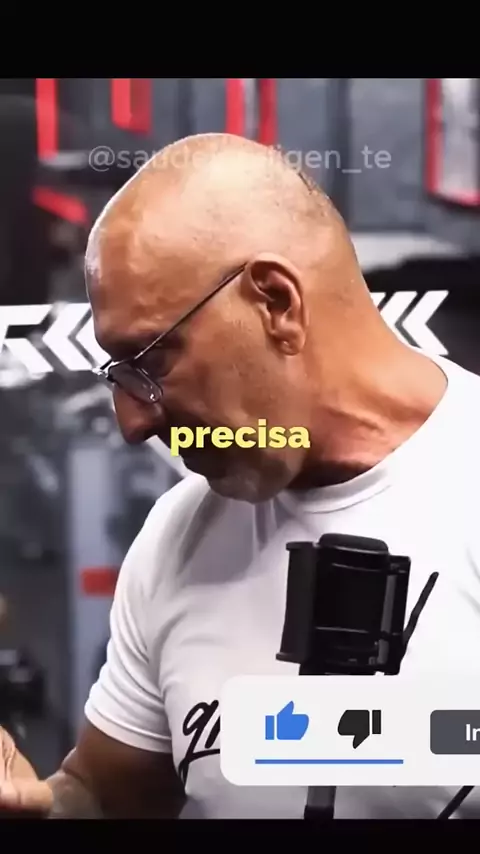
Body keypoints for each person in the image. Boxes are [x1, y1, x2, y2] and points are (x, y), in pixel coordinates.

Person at [1, 132, 480, 819]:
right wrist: (35, 808)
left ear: (277, 304)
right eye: (119, 374)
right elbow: (103, 792)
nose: (132, 422)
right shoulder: (177, 536)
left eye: (150, 362)